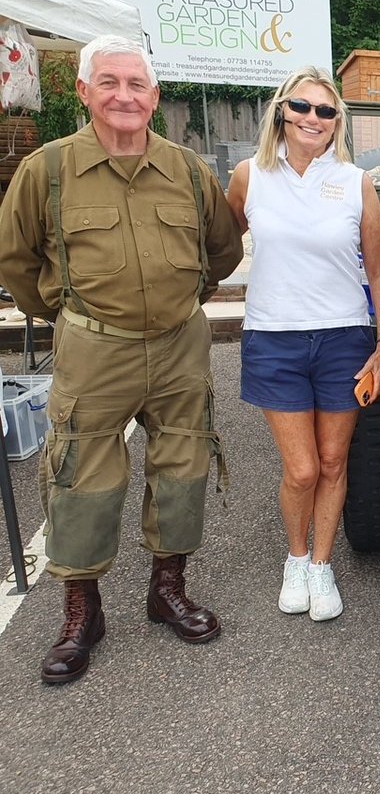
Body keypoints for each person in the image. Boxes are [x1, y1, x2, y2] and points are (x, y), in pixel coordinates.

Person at [0, 35, 243, 684]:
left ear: (154, 97)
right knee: (82, 474)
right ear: (84, 92)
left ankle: (167, 589)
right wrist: (67, 313)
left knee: (183, 464)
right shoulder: (47, 171)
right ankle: (82, 611)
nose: (124, 96)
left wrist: (184, 300)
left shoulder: (187, 169)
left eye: (136, 84)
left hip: (178, 343)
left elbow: (222, 249)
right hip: (93, 346)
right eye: (109, 83)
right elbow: (18, 263)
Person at [226, 67, 380, 623]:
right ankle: (296, 557)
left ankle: (322, 565)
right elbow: (220, 246)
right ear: (282, 111)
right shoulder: (249, 176)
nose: (313, 119)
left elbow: (378, 269)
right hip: (274, 338)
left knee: (333, 459)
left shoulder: (354, 181)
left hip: (344, 337)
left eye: (326, 111)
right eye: (303, 107)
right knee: (300, 469)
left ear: (337, 122)